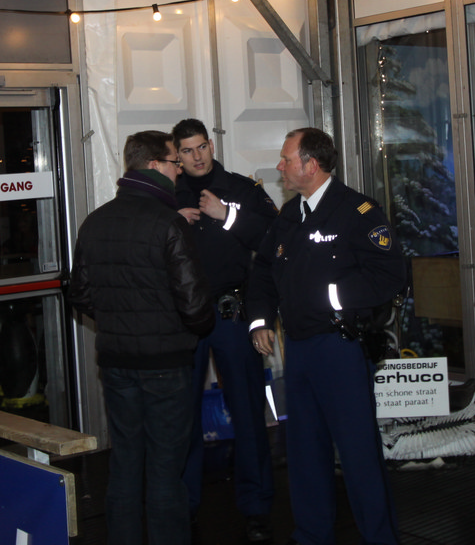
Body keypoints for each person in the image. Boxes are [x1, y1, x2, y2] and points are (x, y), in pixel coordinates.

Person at [245, 127, 407, 545]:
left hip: (340, 348)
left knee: (357, 453)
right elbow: (263, 270)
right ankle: (311, 535)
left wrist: (330, 298)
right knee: (304, 452)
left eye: (286, 159)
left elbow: (390, 274)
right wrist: (260, 320)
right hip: (298, 349)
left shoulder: (357, 211)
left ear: (311, 165)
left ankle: (380, 539)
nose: (280, 167)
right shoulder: (289, 215)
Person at [69, 131, 215, 545]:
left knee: (125, 465)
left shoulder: (95, 221)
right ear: (154, 165)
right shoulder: (168, 223)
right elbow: (195, 306)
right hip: (165, 364)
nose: (179, 169)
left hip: (116, 362)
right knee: (166, 471)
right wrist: (188, 327)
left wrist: (117, 318)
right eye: (174, 162)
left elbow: (79, 294)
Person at [171, 119, 279, 542]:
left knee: (248, 412)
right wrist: (172, 221)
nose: (197, 156)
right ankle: (185, 507)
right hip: (184, 318)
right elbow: (144, 241)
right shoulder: (167, 195)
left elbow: (273, 239)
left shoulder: (240, 189)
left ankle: (257, 508)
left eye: (202, 147)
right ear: (176, 156)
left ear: (211, 146)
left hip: (232, 314)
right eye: (187, 150)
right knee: (182, 417)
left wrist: (227, 214)